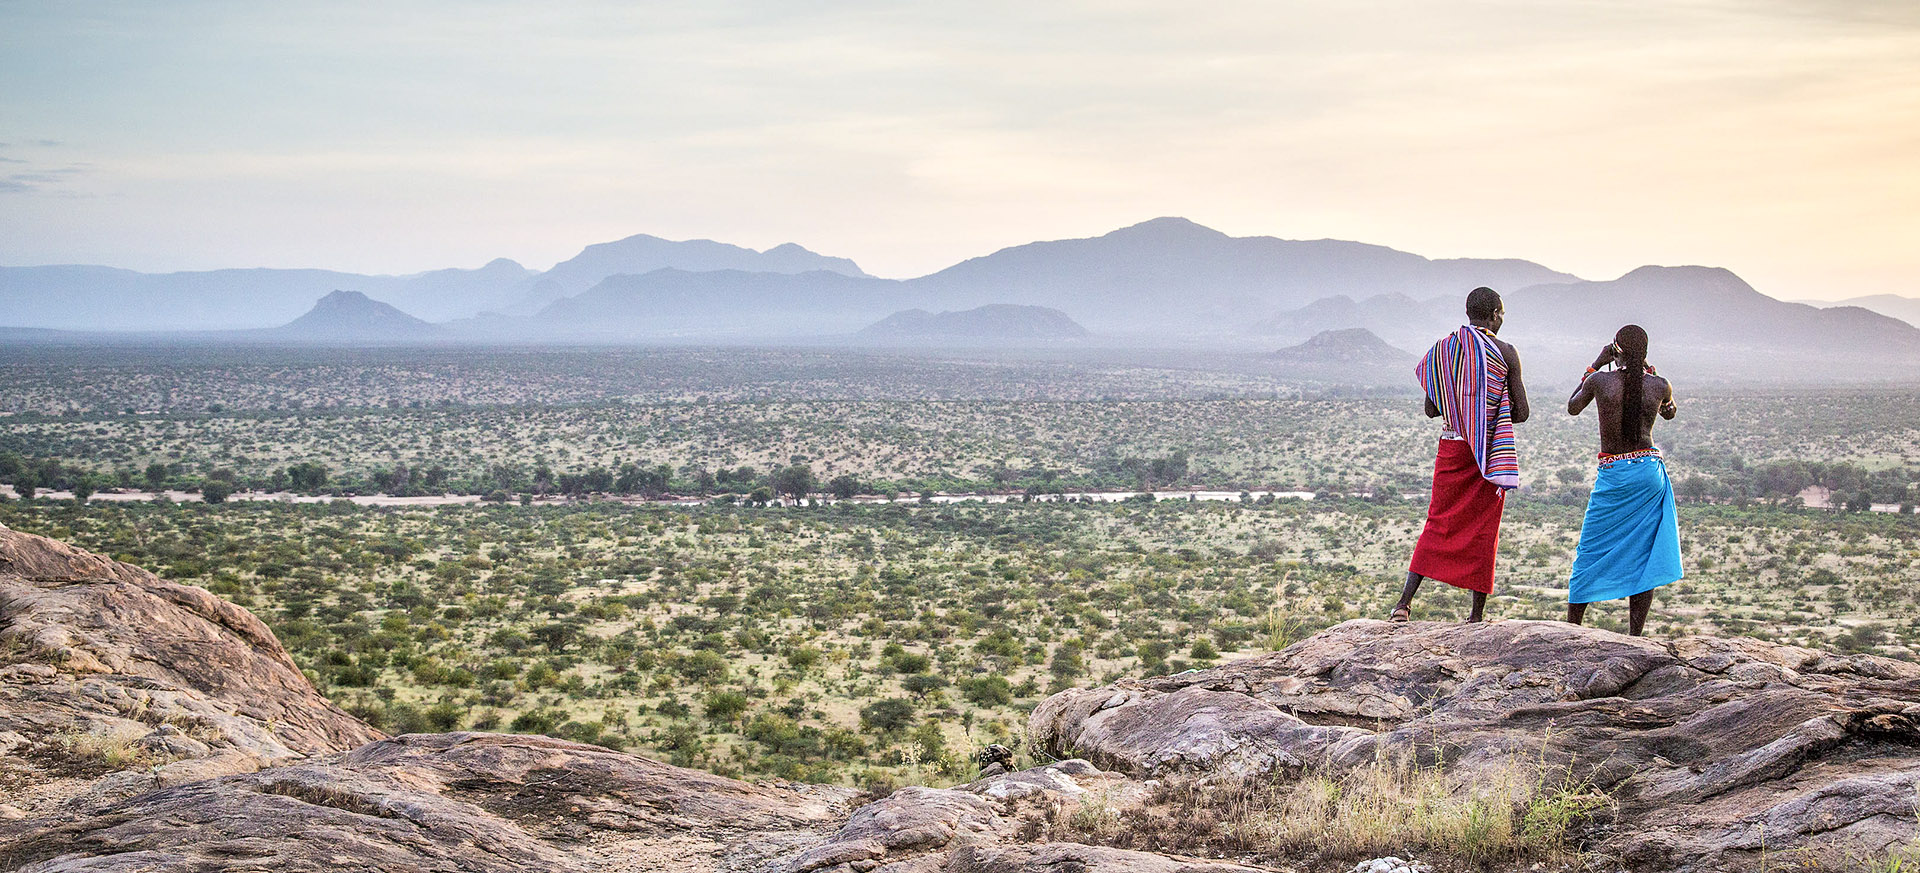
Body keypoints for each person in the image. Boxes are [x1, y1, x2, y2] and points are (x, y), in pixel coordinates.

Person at [1392, 287, 1529, 623]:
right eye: (1502, 314)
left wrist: (1460, 404)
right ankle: (1475, 617)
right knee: (1484, 530)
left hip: (1452, 449)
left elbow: (1430, 409)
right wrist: (1484, 412)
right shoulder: (1506, 351)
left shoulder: (1443, 350)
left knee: (1438, 523)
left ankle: (1403, 605)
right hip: (1488, 453)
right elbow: (1522, 412)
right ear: (1496, 313)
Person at [1564, 324, 1682, 635]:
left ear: (1616, 350)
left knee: (1591, 549)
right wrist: (1657, 383)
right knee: (1644, 555)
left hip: (1614, 477)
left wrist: (1597, 363)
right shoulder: (1660, 384)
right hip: (1647, 475)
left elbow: (1573, 406)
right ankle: (1635, 636)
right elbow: (1670, 413)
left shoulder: (1599, 381)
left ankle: (1572, 629)